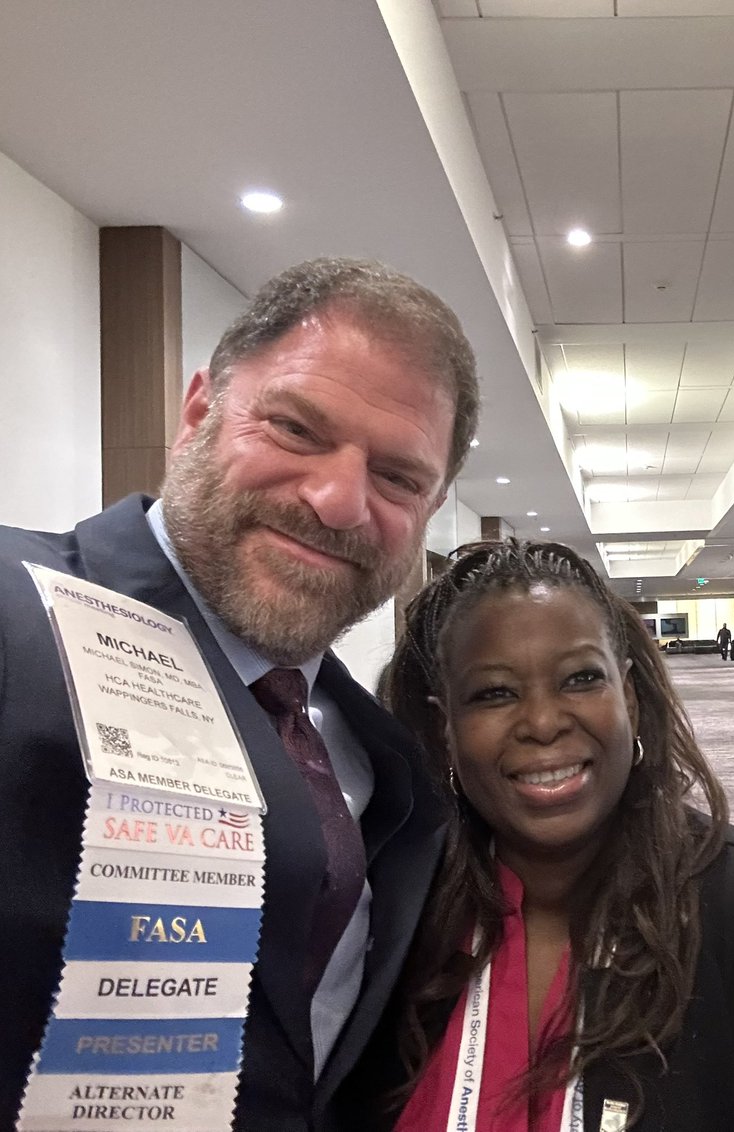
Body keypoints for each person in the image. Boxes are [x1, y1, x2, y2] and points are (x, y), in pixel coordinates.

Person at [0, 257, 480, 1130]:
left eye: (398, 478)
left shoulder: (381, 757)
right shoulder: (15, 611)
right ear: (198, 415)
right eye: (296, 429)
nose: (340, 501)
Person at [367, 539, 734, 1131]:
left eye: (581, 679)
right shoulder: (397, 910)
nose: (542, 722)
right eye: (494, 693)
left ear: (630, 699)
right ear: (445, 727)